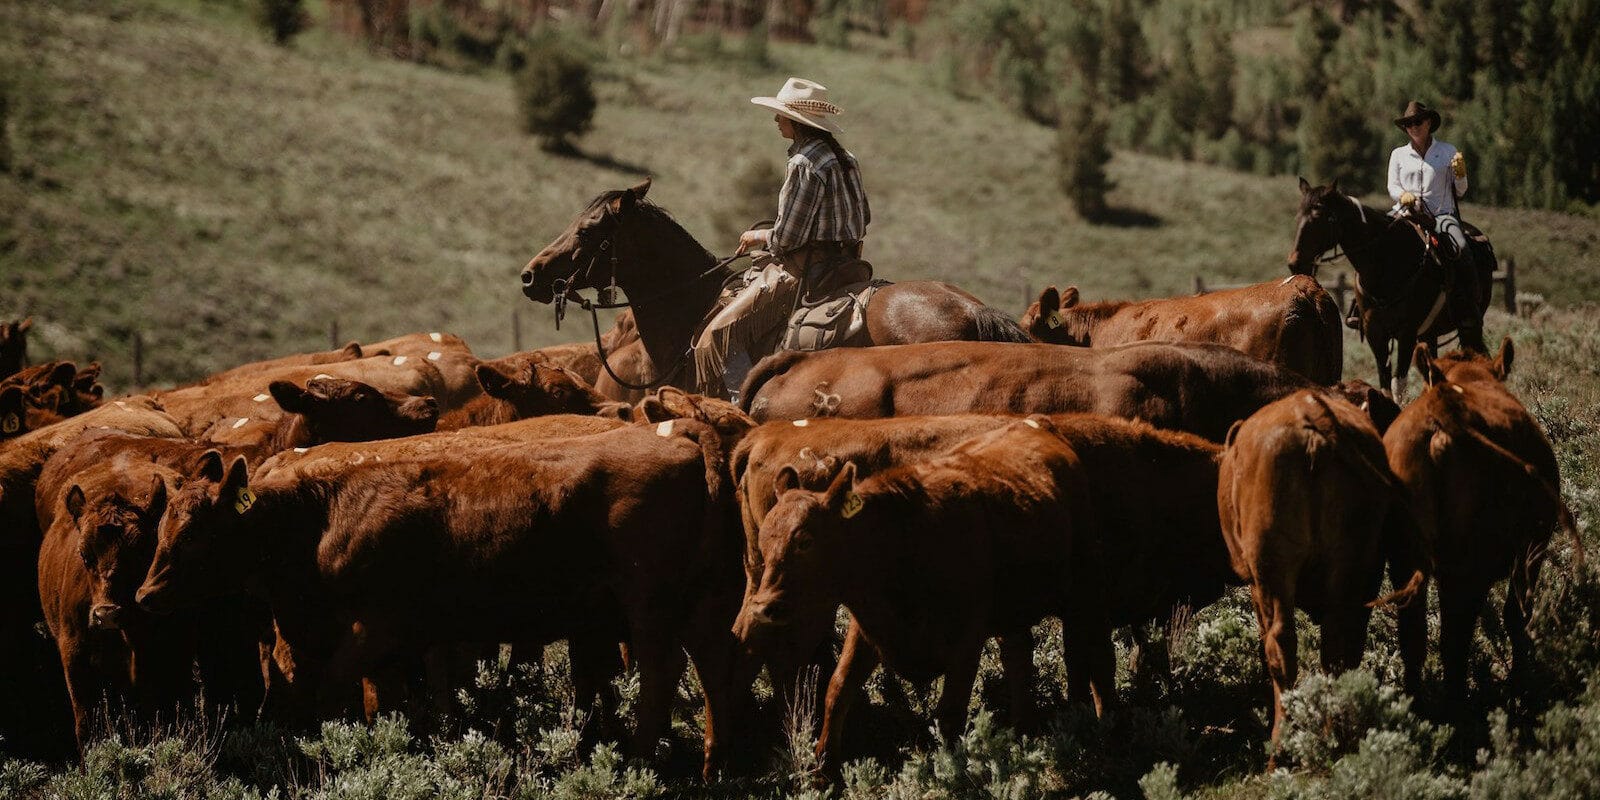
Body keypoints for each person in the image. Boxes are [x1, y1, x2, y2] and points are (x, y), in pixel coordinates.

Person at [693, 77, 871, 401]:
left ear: (796, 121)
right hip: (850, 264)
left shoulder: (804, 162)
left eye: (781, 115)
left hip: (804, 272)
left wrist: (758, 235)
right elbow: (864, 219)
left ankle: (741, 404)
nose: (776, 120)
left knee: (716, 336)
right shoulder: (846, 158)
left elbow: (787, 239)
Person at [1380, 100, 1481, 347]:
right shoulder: (1398, 155)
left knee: (1461, 248)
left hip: (1441, 216)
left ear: (1428, 123)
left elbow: (1461, 191)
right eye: (1408, 124)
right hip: (1406, 213)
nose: (1413, 127)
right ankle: (1362, 308)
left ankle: (1468, 305)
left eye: (1418, 122)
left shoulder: (1447, 152)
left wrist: (1461, 174)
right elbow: (1392, 185)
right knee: (1379, 245)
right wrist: (1402, 196)